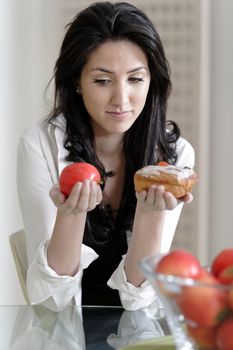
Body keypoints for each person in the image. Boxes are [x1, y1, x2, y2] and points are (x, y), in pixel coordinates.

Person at [17, 1, 195, 311]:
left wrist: (150, 216)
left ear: (152, 81)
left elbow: (140, 301)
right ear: (76, 82)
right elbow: (50, 301)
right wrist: (70, 214)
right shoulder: (40, 144)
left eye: (136, 79)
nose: (121, 99)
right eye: (102, 81)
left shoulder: (176, 156)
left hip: (136, 334)